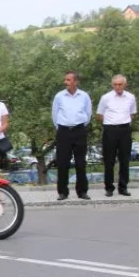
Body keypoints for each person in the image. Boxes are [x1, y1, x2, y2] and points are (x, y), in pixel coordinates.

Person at [51, 72, 92, 200]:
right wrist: (60, 127)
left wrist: (80, 126)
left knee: (80, 163)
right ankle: (63, 192)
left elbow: (88, 113)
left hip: (79, 130)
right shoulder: (59, 96)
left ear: (76, 82)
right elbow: (55, 114)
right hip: (63, 131)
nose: (66, 82)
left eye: (68, 80)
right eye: (65, 80)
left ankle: (82, 191)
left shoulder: (84, 96)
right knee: (62, 163)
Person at [97, 74, 137, 197]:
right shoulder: (105, 98)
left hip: (125, 129)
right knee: (109, 160)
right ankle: (109, 188)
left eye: (120, 84)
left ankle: (123, 187)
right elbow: (99, 115)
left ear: (125, 85)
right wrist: (111, 123)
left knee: (124, 160)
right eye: (115, 84)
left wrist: (123, 122)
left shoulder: (130, 97)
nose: (117, 87)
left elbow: (132, 114)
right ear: (112, 85)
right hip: (110, 129)